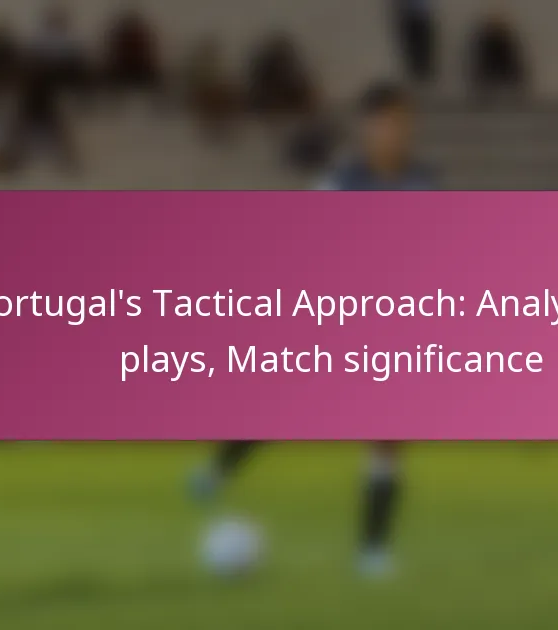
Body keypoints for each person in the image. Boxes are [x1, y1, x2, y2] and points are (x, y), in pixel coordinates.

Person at [189, 83, 437, 579]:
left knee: (387, 437)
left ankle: (372, 551)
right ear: (368, 128)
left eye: (401, 122)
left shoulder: (424, 184)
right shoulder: (341, 183)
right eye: (385, 122)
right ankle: (219, 469)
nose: (394, 132)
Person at [392, 0, 437, 85]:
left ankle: (422, 71)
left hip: (419, 17)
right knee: (415, 45)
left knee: (420, 45)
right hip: (415, 17)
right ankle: (419, 71)